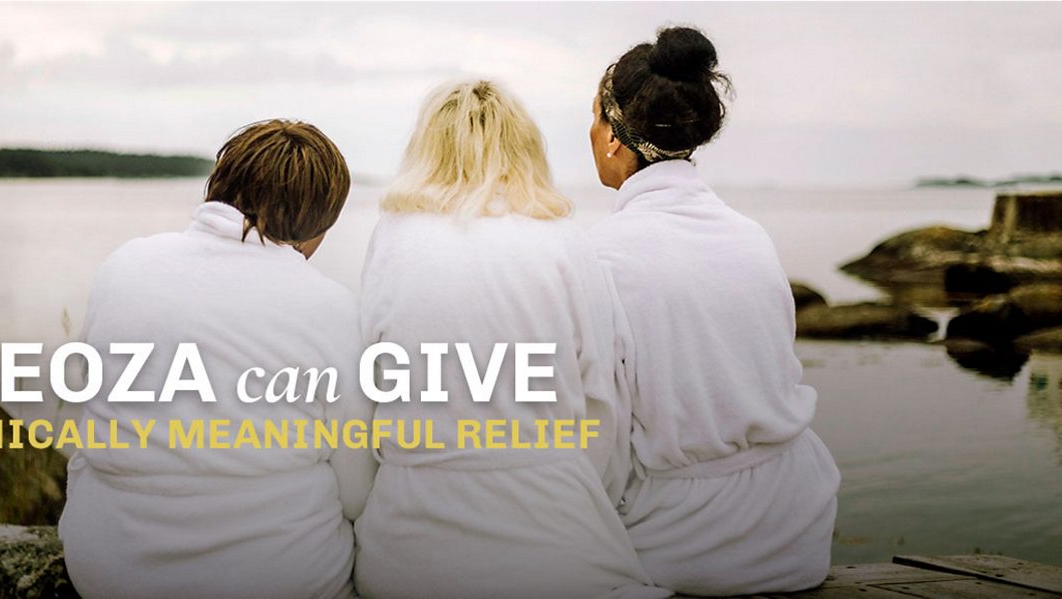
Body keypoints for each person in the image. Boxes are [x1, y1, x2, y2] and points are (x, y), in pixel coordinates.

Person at [354, 80, 669, 599]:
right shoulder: (564, 238)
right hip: (557, 543)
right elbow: (603, 402)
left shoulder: (392, 235)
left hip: (409, 546)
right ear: (524, 145)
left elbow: (373, 387)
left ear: (426, 146)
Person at [58, 120, 376, 599]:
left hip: (106, 572)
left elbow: (91, 411)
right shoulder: (331, 310)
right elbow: (356, 492)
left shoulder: (126, 266)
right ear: (318, 226)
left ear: (219, 186)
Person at [586, 27, 841, 596]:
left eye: (596, 117)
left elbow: (598, 435)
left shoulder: (600, 256)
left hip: (682, 543)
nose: (591, 132)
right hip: (795, 527)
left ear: (612, 136)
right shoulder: (751, 238)